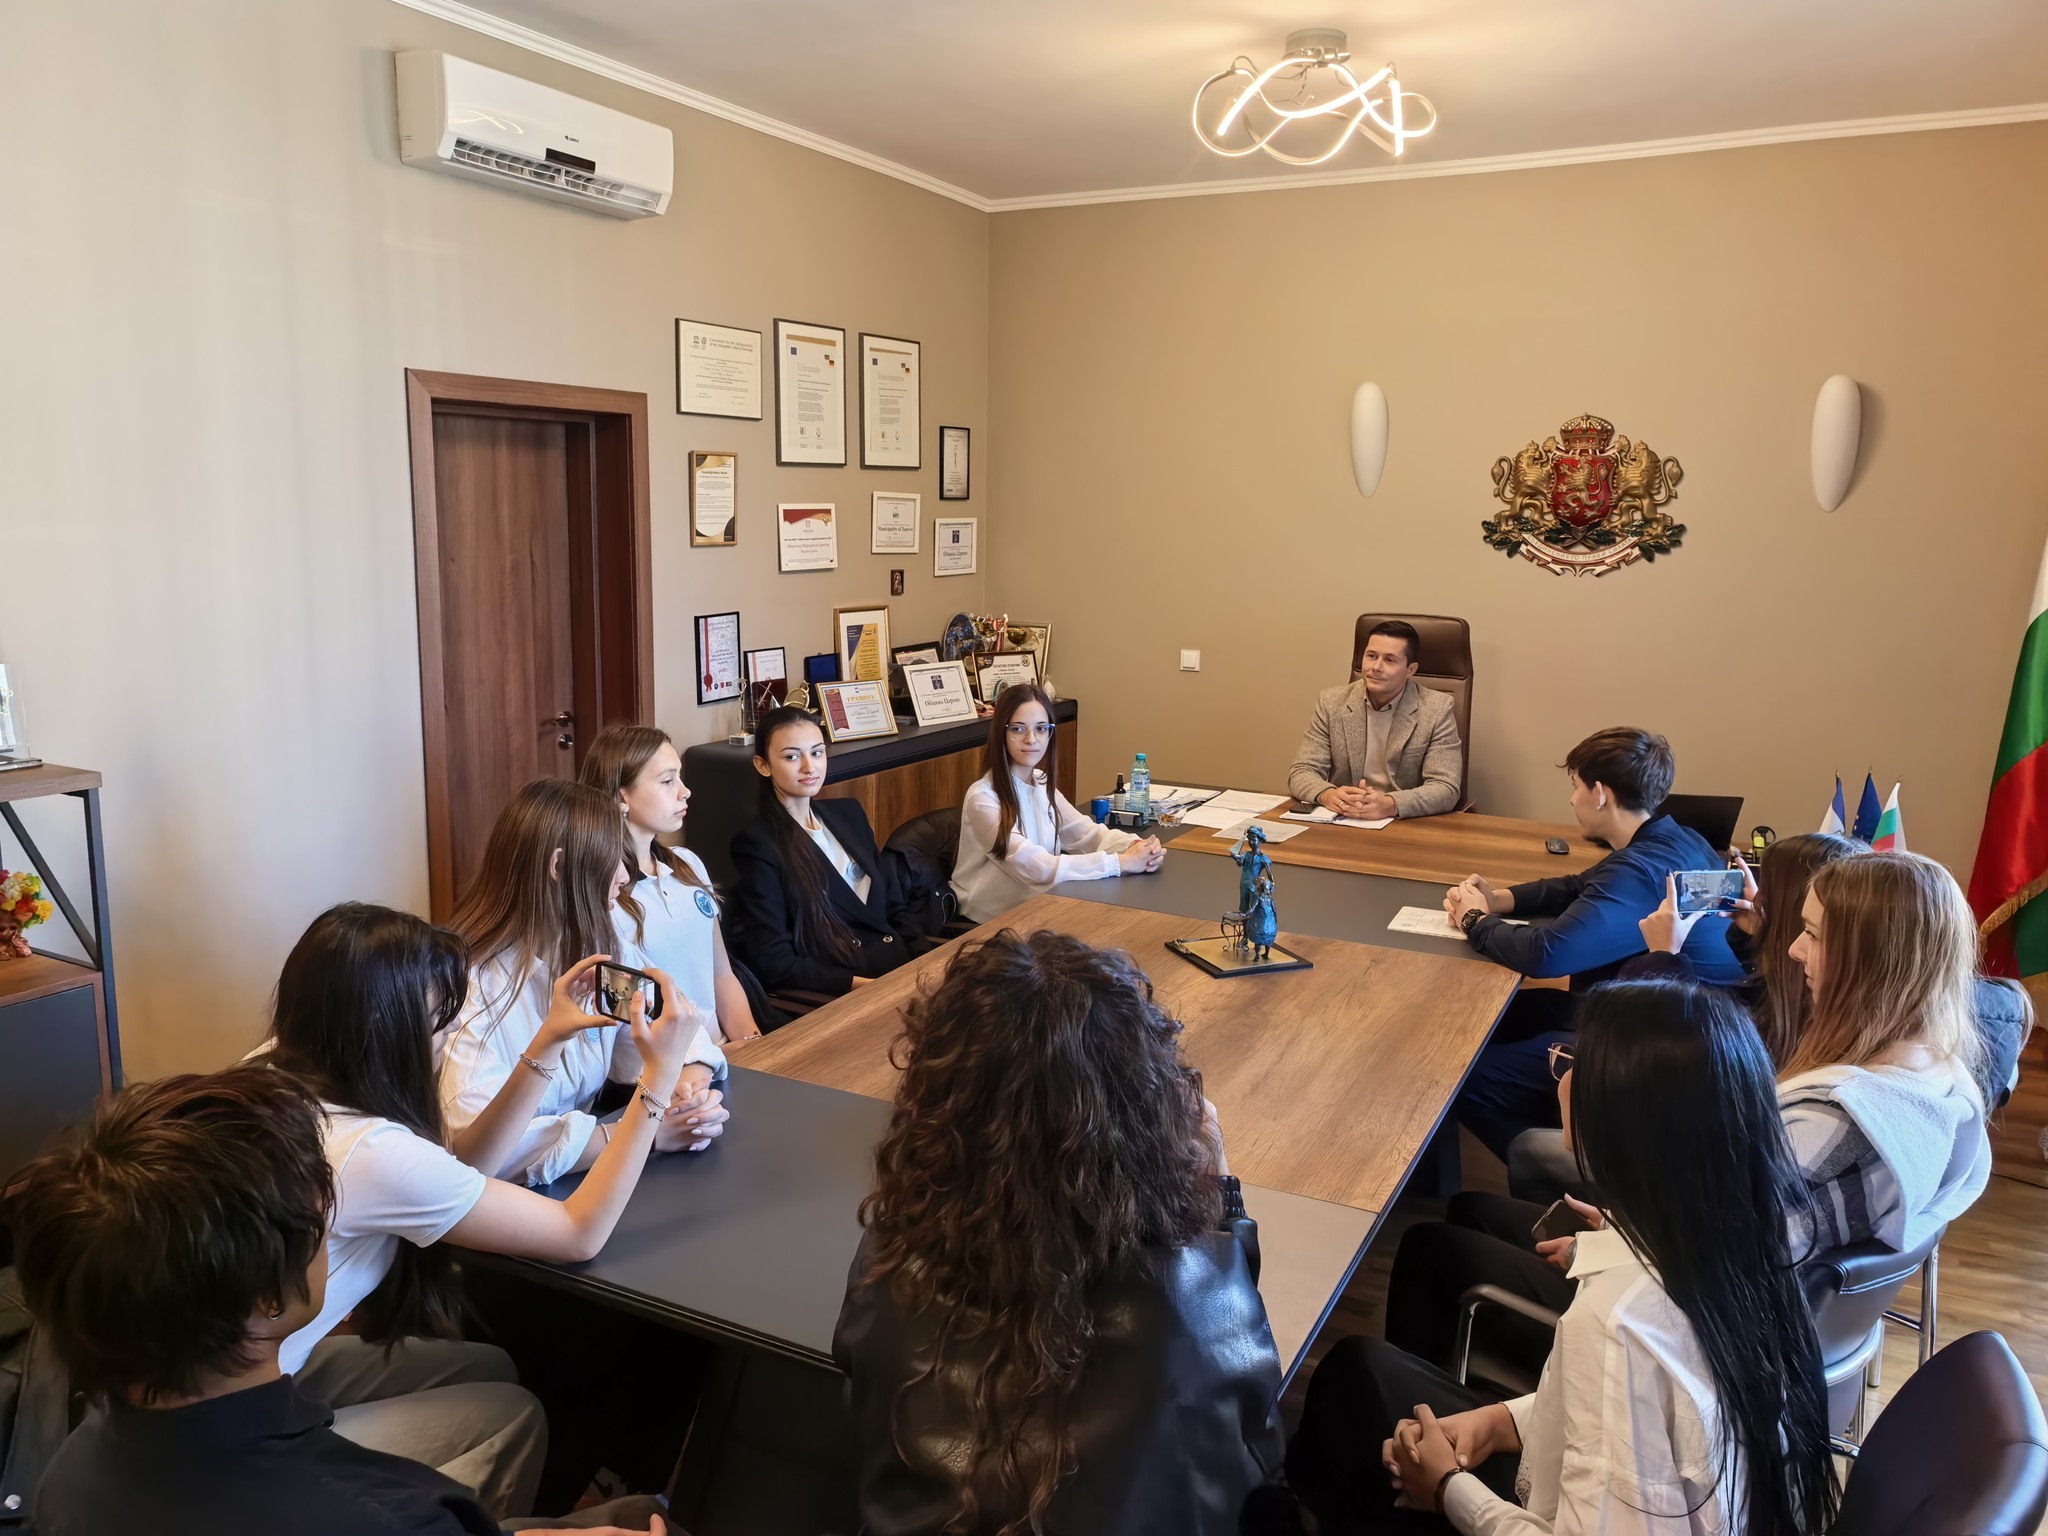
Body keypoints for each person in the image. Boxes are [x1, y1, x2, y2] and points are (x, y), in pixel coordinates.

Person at [1385, 849, 1998, 1385]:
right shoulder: (1939, 1090)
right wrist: (1633, 1225)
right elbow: (1737, 1226)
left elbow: (1704, 1278)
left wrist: (1607, 1229)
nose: (1792, 948)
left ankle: (1458, 1431)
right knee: (1471, 1210)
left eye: (1811, 933)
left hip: (1675, 1341)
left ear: (1871, 960)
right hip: (1709, 1291)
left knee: (1430, 1247)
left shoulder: (1832, 1126)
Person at [6, 1064, 672, 1536]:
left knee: (491, 1369)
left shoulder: (64, 1483)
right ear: (267, 1297)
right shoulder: (387, 1515)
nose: (329, 1219)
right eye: (318, 1215)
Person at [1286, 978, 1840, 1536]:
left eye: (1575, 1061)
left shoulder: (1618, 1329)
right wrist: (1501, 1420)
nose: (1564, 1077)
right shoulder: (1744, 1241)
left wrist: (1449, 1489)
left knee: (1354, 1379)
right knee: (1371, 1365)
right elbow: (1644, 1425)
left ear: (1622, 1124)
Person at [258, 902, 726, 1513]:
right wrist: (656, 1084)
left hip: (242, 1367)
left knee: (492, 1363)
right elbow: (578, 1233)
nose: (451, 1032)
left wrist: (549, 1038)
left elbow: (467, 1170)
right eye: (439, 1020)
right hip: (245, 1423)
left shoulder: (270, 1070)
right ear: (387, 1030)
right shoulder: (372, 1151)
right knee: (515, 1410)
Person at [833, 930, 1285, 1535]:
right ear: (1145, 1109)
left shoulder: (889, 1261)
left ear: (940, 1104)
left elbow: (860, 1414)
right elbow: (1260, 1454)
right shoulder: (1192, 1298)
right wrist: (1222, 1199)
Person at [1446, 727, 1743, 1160]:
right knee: (1493, 1018)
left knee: (1463, 1081)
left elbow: (1547, 955)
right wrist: (1500, 899)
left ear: (1600, 794)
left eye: (1576, 786)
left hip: (1667, 1046)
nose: (1572, 800)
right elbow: (1578, 885)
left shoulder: (1639, 870)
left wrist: (1475, 921)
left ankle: (1563, 1168)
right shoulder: (1680, 839)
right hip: (1693, 1019)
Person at [439, 778, 728, 1187]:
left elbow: (679, 1035)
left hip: (581, 1182)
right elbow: (482, 1152)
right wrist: (641, 1133)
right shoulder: (471, 987)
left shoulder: (600, 946)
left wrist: (687, 1099)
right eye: (613, 858)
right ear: (558, 867)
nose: (625, 877)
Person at [727, 706, 929, 997]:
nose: (809, 767)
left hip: (903, 971)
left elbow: (893, 905)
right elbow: (772, 959)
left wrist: (927, 958)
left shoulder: (849, 814)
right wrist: (864, 986)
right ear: (763, 765)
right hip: (852, 989)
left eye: (817, 753)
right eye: (792, 757)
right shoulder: (758, 844)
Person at [580, 724, 762, 1045]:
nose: (685, 791)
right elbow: (626, 1010)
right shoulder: (602, 894)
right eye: (667, 781)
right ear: (622, 796)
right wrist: (702, 1063)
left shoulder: (687, 864)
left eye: (679, 777)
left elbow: (721, 977)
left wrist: (754, 1046)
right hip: (664, 1066)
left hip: (724, 1054)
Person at [950, 683, 1163, 923]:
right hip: (990, 922)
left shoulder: (1040, 782)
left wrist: (1136, 845)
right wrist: (1120, 863)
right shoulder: (983, 799)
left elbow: (1086, 834)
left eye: (1041, 728)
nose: (1031, 739)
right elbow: (1036, 867)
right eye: (1018, 729)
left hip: (1042, 907)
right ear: (1002, 732)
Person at [1288, 621, 1462, 820]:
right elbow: (1302, 771)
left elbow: (1445, 788)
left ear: (1411, 670)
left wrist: (1389, 804)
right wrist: (1328, 795)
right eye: (1371, 656)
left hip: (1403, 822)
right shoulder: (1331, 702)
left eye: (1389, 660)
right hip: (1344, 817)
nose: (1376, 667)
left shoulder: (1437, 709)